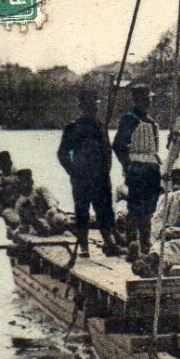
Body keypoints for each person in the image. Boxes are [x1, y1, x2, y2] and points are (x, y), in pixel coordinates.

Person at [58, 89, 117, 257]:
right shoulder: (73, 128)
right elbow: (62, 153)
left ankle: (109, 241)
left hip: (100, 178)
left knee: (104, 210)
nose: (94, 108)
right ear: (82, 106)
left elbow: (107, 152)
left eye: (95, 104)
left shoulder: (100, 126)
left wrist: (106, 172)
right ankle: (84, 246)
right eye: (90, 104)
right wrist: (73, 171)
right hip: (82, 178)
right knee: (82, 212)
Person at [112, 83, 165, 250]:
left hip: (152, 169)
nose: (148, 103)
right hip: (136, 168)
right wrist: (127, 165)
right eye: (144, 99)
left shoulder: (151, 122)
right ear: (136, 101)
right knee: (135, 207)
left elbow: (154, 149)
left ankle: (145, 243)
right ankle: (132, 241)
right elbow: (118, 145)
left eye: (149, 99)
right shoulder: (129, 119)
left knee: (149, 208)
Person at [13, 168, 73, 236]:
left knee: (58, 217)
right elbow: (23, 224)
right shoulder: (20, 204)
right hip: (40, 227)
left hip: (52, 218)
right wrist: (18, 230)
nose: (27, 182)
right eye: (24, 180)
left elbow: (51, 200)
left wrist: (53, 208)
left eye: (28, 178)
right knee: (39, 226)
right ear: (18, 183)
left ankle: (72, 227)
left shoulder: (40, 190)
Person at [0, 151, 21, 215]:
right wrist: (1, 207)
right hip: (6, 205)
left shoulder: (17, 174)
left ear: (10, 163)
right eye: (2, 164)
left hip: (18, 204)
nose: (4, 166)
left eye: (6, 163)